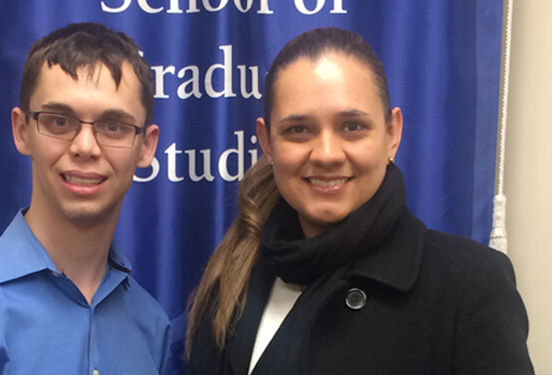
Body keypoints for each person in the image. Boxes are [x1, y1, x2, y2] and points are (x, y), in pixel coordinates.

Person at [186, 27, 533, 374]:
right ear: (267, 142)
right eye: (298, 130)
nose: (326, 154)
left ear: (392, 134)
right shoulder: (231, 279)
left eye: (352, 126)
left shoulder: (469, 288)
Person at [0, 22, 169, 374]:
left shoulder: (151, 326)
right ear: (23, 131)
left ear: (146, 146)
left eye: (113, 126)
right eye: (59, 121)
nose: (85, 147)